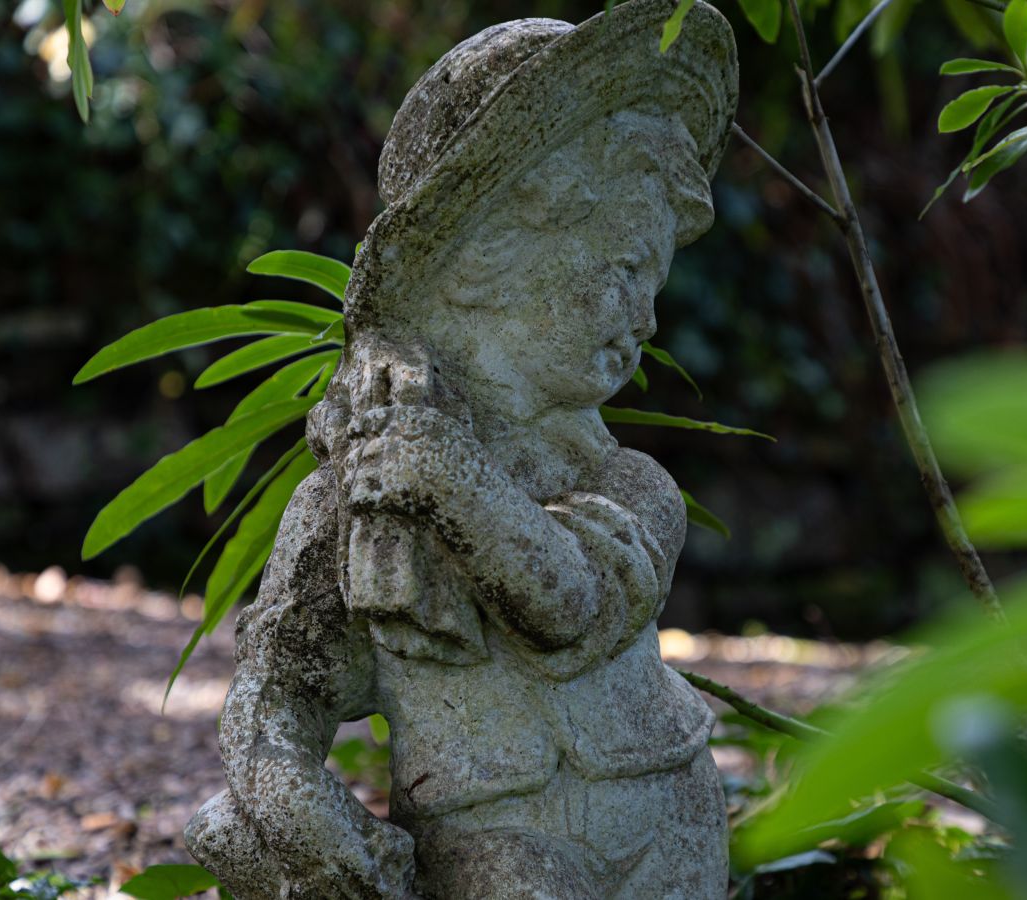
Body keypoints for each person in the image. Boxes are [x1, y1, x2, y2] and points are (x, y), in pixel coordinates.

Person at [186, 2, 739, 897]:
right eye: (622, 270)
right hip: (491, 844)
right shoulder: (354, 503)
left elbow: (568, 606)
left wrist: (446, 473)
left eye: (655, 280)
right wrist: (298, 809)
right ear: (493, 258)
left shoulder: (628, 483)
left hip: (672, 826)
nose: (646, 316)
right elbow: (274, 697)